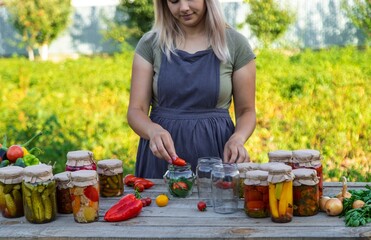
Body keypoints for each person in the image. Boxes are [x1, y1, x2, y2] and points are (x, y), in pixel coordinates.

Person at [127, 0, 256, 178]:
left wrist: (238, 138)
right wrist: (152, 130)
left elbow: (246, 111)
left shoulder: (235, 43)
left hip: (216, 158)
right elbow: (136, 110)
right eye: (174, 1)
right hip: (161, 159)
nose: (184, 7)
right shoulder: (150, 44)